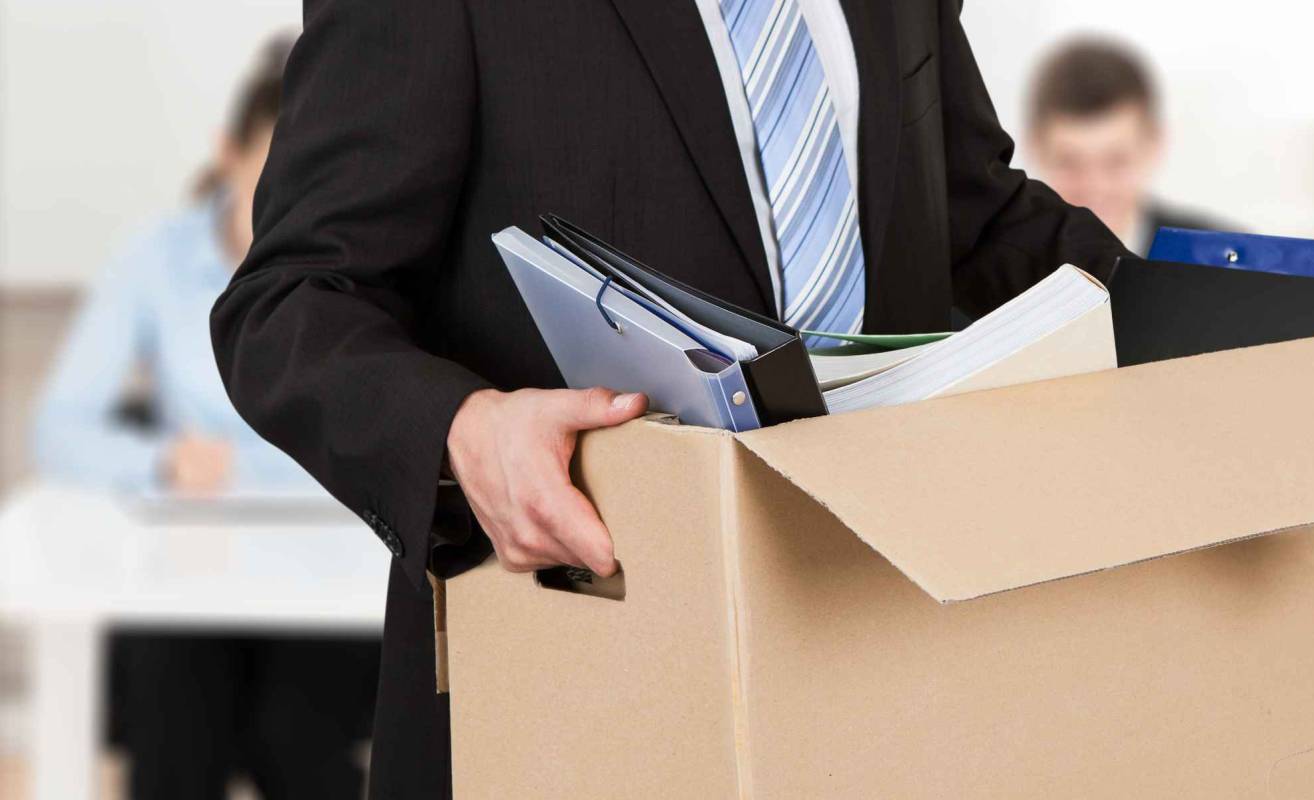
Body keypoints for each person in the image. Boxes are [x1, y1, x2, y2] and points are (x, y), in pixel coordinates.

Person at [209, 2, 1130, 797]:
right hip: (578, 675)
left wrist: (1220, 309)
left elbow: (971, 215)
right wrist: (464, 430)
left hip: (884, 661)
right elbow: (291, 299)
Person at [32, 34, 380, 799]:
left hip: (328, 583)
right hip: (191, 578)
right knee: (173, 713)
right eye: (270, 171)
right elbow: (57, 427)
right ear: (228, 155)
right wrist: (160, 462)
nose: (290, 199)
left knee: (296, 732)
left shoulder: (370, 260)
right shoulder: (155, 258)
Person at [1023, 37, 1241, 256]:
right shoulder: (995, 268)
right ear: (1035, 147)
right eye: (1069, 163)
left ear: (1154, 145)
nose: (1095, 186)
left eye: (1116, 161)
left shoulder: (1226, 263)